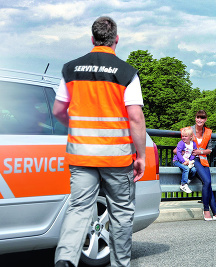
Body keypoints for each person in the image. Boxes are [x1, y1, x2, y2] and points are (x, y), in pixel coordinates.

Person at [52, 16, 146, 267]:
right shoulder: (126, 72)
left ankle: (65, 258)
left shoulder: (70, 69)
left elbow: (59, 111)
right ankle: (120, 264)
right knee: (121, 212)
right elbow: (135, 118)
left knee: (79, 207)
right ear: (116, 39)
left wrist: (78, 129)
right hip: (116, 157)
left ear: (92, 39)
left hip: (81, 155)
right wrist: (141, 155)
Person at [191, 110, 216, 221]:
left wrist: (200, 152)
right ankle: (206, 210)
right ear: (195, 118)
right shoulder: (189, 130)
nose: (200, 120)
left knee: (208, 184)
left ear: (205, 120)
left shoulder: (208, 132)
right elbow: (183, 144)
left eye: (202, 118)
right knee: (207, 182)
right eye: (198, 117)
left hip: (203, 160)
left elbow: (209, 149)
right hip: (193, 160)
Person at [173, 127, 197, 194]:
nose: (183, 137)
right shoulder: (181, 143)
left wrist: (190, 161)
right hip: (177, 161)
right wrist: (183, 161)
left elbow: (193, 153)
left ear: (190, 137)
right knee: (186, 168)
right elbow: (178, 152)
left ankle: (187, 181)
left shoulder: (193, 144)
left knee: (194, 170)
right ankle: (183, 184)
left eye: (186, 136)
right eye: (183, 136)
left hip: (187, 161)